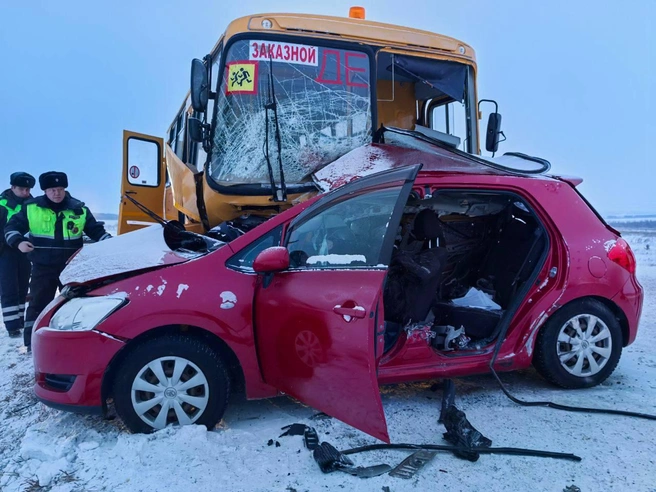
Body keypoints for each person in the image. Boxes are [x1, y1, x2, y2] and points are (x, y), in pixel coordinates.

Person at [5, 171, 111, 350]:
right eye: (52, 190)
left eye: (60, 189)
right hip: (42, 267)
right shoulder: (31, 207)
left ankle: (74, 343)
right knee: (38, 305)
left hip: (72, 268)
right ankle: (32, 344)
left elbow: (96, 231)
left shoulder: (79, 208)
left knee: (76, 306)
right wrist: (19, 242)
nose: (57, 193)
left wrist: (110, 243)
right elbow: (11, 228)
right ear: (45, 191)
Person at [0, 172, 35, 337]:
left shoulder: (33, 205)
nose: (25, 192)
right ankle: (12, 326)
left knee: (23, 286)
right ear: (12, 187)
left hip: (25, 251)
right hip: (5, 251)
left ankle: (20, 320)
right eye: (22, 189)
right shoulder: (2, 204)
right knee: (9, 288)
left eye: (28, 189)